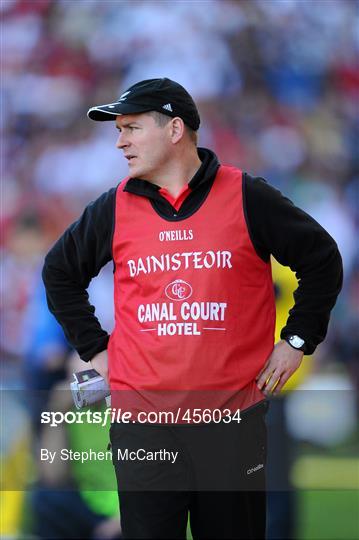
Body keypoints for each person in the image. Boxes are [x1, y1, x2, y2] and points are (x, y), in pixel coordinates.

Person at [42, 77, 343, 539]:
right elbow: (60, 273)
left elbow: (321, 259)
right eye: (119, 130)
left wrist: (296, 340)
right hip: (143, 426)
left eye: (132, 127)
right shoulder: (113, 208)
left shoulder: (246, 195)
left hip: (231, 424)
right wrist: (95, 351)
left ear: (175, 129)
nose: (120, 141)